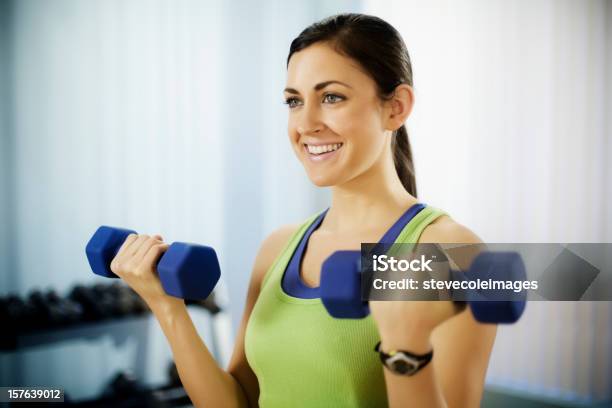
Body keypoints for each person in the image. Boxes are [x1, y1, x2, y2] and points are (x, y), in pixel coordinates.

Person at [109, 13, 497, 408]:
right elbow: (239, 401)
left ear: (396, 107)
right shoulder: (278, 247)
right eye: (294, 101)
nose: (305, 123)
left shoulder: (452, 253)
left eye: (331, 97)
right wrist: (166, 307)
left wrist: (404, 346)